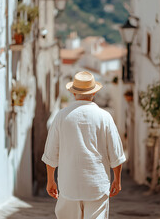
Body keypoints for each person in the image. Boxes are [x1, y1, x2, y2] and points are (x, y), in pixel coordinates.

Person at [42, 71, 126, 219]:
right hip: (97, 185)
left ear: (74, 94)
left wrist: (51, 180)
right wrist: (117, 180)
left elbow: (51, 152)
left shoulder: (61, 116)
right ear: (93, 93)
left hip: (69, 185)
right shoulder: (105, 117)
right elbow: (116, 152)